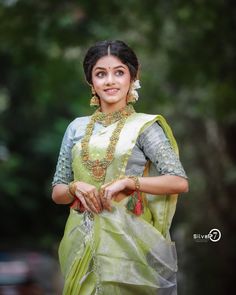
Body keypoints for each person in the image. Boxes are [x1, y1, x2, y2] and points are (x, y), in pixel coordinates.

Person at [52, 40, 188, 295]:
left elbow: (179, 181)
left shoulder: (146, 127)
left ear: (133, 77)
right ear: (91, 83)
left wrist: (130, 182)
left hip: (130, 244)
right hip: (82, 243)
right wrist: (74, 186)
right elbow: (57, 192)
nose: (110, 81)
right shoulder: (76, 128)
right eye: (100, 74)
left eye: (119, 72)